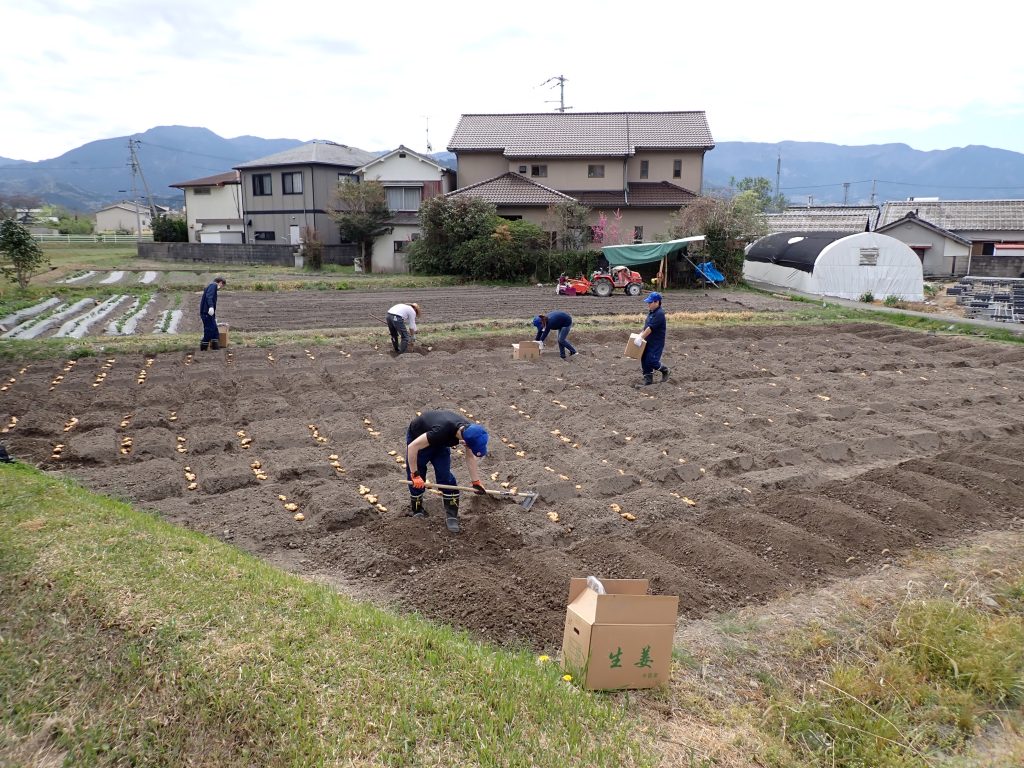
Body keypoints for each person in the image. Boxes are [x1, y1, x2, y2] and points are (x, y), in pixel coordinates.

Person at [406, 410, 489, 534]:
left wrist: (476, 481)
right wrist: (414, 474)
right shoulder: (441, 430)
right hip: (419, 441)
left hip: (441, 443)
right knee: (418, 477)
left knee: (445, 475)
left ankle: (451, 516)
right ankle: (417, 510)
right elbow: (412, 447)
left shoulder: (470, 431)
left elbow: (470, 457)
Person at [633, 291, 670, 386]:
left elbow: (650, 328)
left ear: (657, 302)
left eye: (650, 302)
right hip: (648, 341)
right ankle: (648, 381)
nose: (648, 304)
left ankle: (665, 370)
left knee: (652, 361)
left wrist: (640, 337)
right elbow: (646, 327)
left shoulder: (659, 314)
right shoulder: (652, 312)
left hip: (656, 342)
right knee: (644, 360)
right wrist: (640, 334)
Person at [199, 276, 226, 351]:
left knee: (214, 330)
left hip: (209, 314)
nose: (221, 287)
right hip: (206, 313)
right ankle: (203, 348)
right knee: (209, 330)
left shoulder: (211, 286)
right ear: (220, 282)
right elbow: (209, 296)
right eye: (222, 286)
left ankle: (215, 347)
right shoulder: (213, 286)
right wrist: (211, 306)